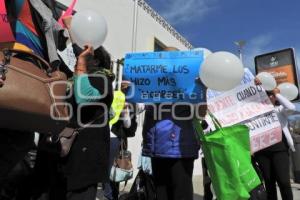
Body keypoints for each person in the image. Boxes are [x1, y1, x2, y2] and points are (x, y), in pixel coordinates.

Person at [141, 47, 207, 200]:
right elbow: (137, 109)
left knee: (181, 194)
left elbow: (200, 114)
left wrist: (202, 91)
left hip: (181, 150)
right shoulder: (151, 83)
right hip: (157, 149)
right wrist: (129, 92)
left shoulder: (191, 85)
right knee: (161, 194)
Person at [59, 44, 114, 200]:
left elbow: (83, 97)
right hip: (66, 156)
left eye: (82, 56)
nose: (77, 58)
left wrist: (82, 62)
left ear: (95, 61)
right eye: (78, 56)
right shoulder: (74, 80)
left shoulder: (102, 80)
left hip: (86, 159)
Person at [254, 79, 295, 200]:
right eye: (267, 95)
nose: (269, 97)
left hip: (279, 150)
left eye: (271, 95)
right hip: (261, 151)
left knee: (284, 182)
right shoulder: (255, 113)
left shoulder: (279, 110)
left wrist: (276, 92)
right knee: (269, 183)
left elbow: (291, 106)